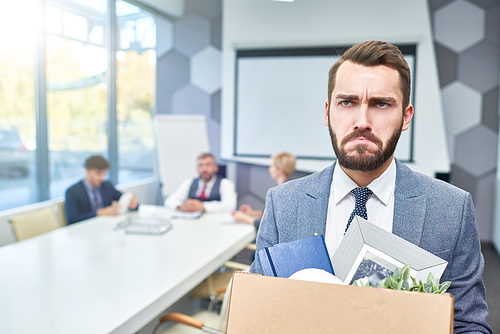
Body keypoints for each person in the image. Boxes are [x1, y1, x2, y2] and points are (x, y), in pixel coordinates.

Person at [249, 41, 492, 333]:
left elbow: (469, 325)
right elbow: (258, 314)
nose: (362, 121)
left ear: (406, 116)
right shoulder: (283, 204)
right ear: (327, 113)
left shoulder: (452, 209)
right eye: (347, 102)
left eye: (381, 104)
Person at [65, 155, 139, 224]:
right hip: (84, 232)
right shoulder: (73, 191)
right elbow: (72, 218)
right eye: (98, 173)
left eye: (104, 174)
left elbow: (122, 197)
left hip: (105, 227)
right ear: (87, 170)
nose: (102, 178)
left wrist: (132, 202)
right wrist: (99, 213)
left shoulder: (107, 186)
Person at [232, 151, 296, 229]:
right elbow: (271, 215)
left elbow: (271, 226)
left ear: (280, 171)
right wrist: (252, 213)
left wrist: (246, 219)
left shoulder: (283, 193)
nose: (269, 170)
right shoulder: (290, 188)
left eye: (272, 167)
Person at [165, 152, 237, 212]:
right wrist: (180, 206)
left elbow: (230, 206)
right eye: (200, 165)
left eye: (208, 165)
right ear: (197, 168)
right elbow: (169, 200)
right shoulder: (190, 182)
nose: (204, 169)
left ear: (215, 168)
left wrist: (203, 206)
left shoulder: (225, 183)